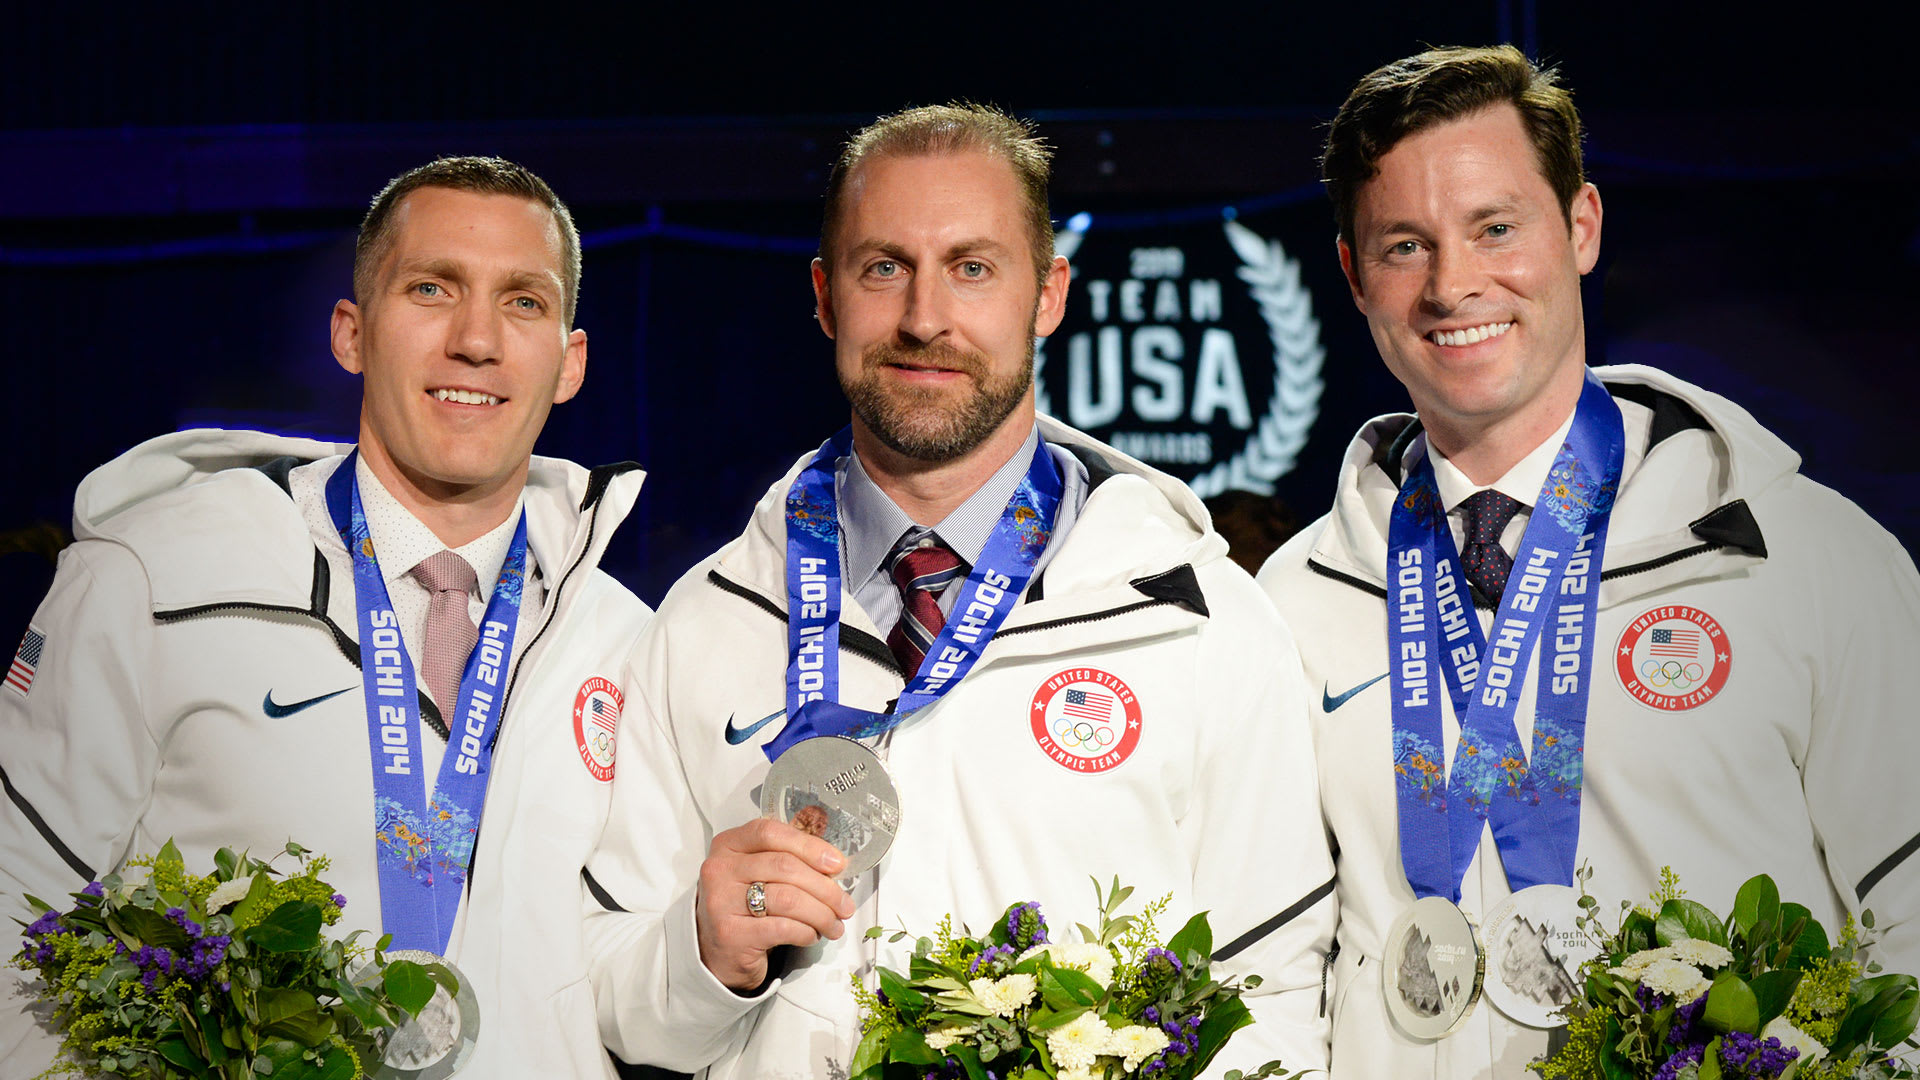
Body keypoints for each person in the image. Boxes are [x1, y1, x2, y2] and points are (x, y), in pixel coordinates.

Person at [581, 103, 1336, 1078]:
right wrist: (701, 955)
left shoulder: (1203, 623)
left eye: (972, 268)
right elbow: (613, 1005)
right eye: (883, 267)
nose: (924, 317)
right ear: (825, 296)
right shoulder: (706, 621)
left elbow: (1270, 1000)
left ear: (1050, 293)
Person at [1255, 45, 1920, 1077]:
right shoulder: (1291, 601)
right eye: (1403, 245)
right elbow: (1278, 968)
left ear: (1581, 227)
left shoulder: (1800, 557)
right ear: (1351, 274)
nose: (1453, 284)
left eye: (1496, 228)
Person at [0, 156, 652, 1079]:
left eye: (523, 302)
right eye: (432, 288)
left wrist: (715, 954)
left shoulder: (626, 642)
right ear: (352, 332)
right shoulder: (155, 575)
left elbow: (630, 980)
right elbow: (15, 897)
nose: (477, 338)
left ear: (570, 361)